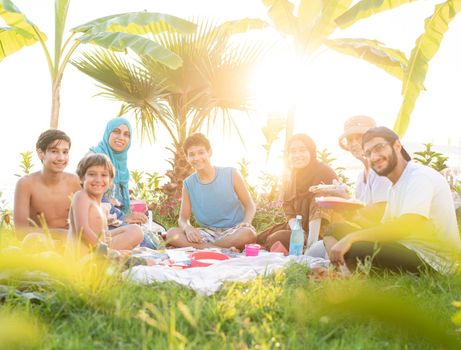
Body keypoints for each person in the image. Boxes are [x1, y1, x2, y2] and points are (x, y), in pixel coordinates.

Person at [325, 127, 461, 273]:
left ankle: (348, 279)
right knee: (336, 230)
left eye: (379, 148)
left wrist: (351, 238)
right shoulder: (394, 187)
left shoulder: (419, 176)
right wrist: (355, 217)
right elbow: (384, 228)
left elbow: (404, 226)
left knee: (353, 246)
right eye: (368, 153)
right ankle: (343, 276)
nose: (374, 157)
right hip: (406, 248)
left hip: (433, 261)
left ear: (397, 145)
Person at [307, 116, 392, 258]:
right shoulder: (360, 177)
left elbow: (379, 214)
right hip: (366, 231)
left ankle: (343, 269)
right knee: (314, 251)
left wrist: (347, 201)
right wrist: (344, 203)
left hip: (384, 236)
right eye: (350, 139)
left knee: (333, 233)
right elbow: (360, 215)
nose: (353, 144)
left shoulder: (381, 171)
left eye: (359, 138)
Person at [166, 133, 256, 250]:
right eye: (192, 154)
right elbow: (183, 218)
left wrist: (246, 222)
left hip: (234, 231)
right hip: (207, 233)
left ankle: (207, 247)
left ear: (210, 152)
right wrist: (188, 228)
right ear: (187, 158)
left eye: (201, 152)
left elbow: (250, 204)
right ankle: (217, 248)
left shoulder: (231, 173)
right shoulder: (188, 184)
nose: (197, 158)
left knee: (248, 234)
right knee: (172, 233)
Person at [256, 134, 338, 251]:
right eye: (293, 151)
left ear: (311, 151)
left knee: (275, 238)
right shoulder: (292, 176)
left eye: (302, 150)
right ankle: (237, 247)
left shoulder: (323, 171)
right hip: (300, 229)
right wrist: (298, 232)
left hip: (323, 232)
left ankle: (309, 248)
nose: (297, 155)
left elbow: (320, 207)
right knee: (260, 237)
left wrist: (311, 246)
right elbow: (289, 209)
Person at [14, 129, 81, 239]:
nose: (61, 158)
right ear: (41, 153)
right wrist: (62, 235)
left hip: (72, 244)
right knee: (31, 240)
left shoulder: (74, 181)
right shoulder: (25, 184)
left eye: (65, 152)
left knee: (120, 231)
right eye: (54, 151)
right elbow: (20, 232)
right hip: (41, 243)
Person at [69, 153, 143, 251]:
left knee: (135, 230)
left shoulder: (100, 206)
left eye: (103, 175)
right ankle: (116, 257)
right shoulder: (81, 197)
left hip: (97, 247)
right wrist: (108, 252)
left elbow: (102, 236)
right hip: (86, 257)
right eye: (92, 174)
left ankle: (121, 255)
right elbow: (82, 230)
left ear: (111, 181)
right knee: (149, 261)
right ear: (81, 178)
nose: (98, 179)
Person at [89, 117, 147, 225]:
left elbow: (116, 200)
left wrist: (131, 214)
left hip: (114, 219)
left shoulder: (121, 164)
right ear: (108, 134)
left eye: (126, 134)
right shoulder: (95, 158)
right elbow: (90, 197)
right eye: (116, 132)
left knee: (154, 232)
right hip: (96, 221)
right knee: (142, 238)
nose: (121, 137)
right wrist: (123, 218)